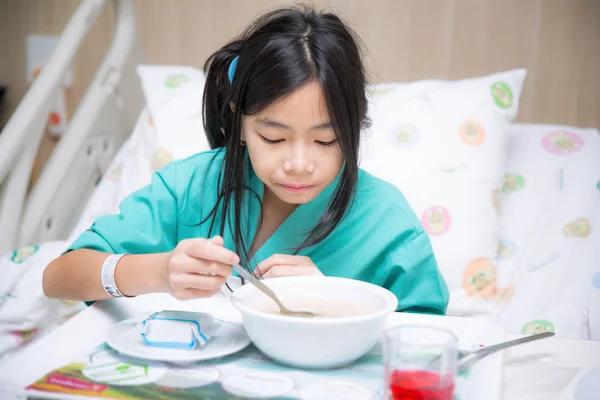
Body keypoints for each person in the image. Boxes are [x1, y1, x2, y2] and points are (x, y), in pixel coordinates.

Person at [43, 5, 449, 314]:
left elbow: (430, 345)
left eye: (326, 140)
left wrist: (335, 301)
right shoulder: (192, 186)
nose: (299, 163)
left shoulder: (389, 227)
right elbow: (59, 277)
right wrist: (159, 271)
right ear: (239, 121)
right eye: (273, 137)